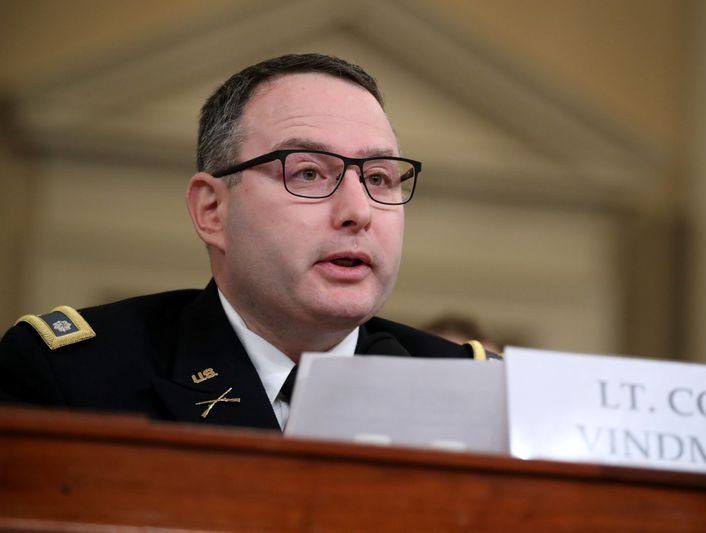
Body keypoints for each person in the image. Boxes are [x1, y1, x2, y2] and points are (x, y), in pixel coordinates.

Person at [0, 53, 491, 431]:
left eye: (380, 178)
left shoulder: (480, 390)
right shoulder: (73, 380)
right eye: (308, 172)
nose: (358, 212)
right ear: (213, 211)